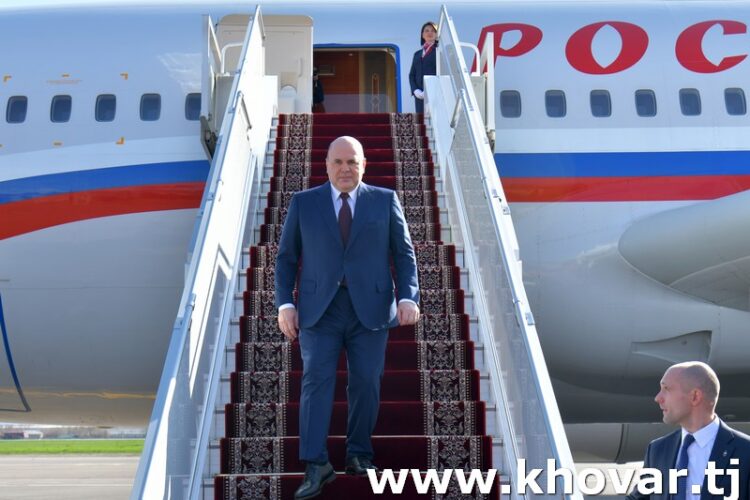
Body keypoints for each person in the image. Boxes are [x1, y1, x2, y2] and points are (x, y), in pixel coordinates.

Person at [275, 136, 421, 500]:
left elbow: (404, 253)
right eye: (338, 162)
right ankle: (316, 464)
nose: (345, 169)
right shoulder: (304, 203)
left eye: (352, 162)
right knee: (316, 381)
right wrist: (285, 304)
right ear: (326, 165)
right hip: (320, 310)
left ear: (364, 165)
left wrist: (408, 296)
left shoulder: (384, 200)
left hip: (370, 308)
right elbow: (286, 257)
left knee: (366, 381)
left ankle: (359, 454)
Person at [627, 362, 750, 500]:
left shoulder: (745, 452)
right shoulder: (658, 450)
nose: (658, 398)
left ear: (695, 396)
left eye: (666, 389)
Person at [408, 21, 438, 114]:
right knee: (421, 120)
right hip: (419, 96)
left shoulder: (440, 51)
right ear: (422, 35)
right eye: (426, 31)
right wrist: (415, 90)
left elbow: (443, 72)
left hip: (435, 94)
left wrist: (431, 89)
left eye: (433, 31)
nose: (430, 33)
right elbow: (412, 75)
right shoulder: (417, 54)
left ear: (437, 35)